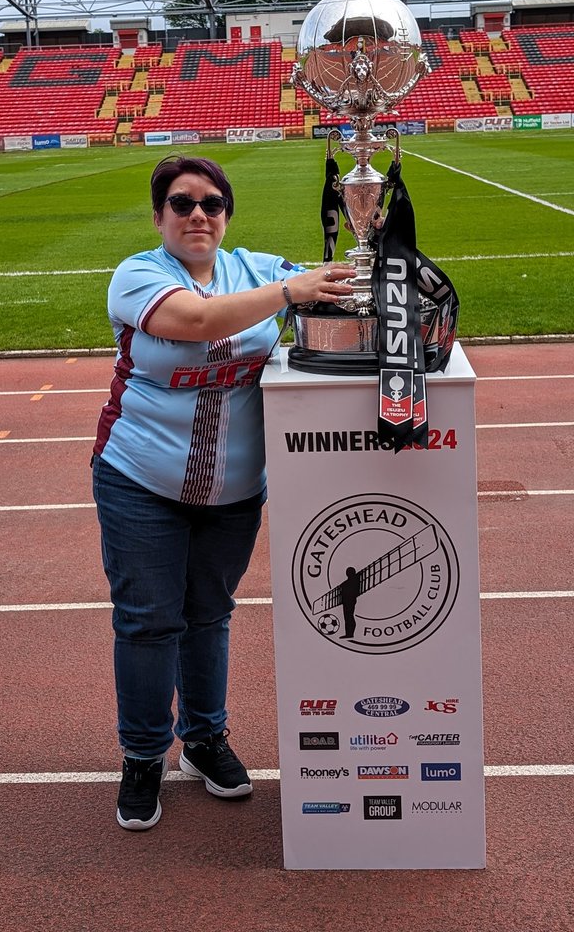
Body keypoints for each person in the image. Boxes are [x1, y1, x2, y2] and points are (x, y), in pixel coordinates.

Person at [92, 154, 355, 830]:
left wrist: (375, 269)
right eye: (181, 203)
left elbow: (338, 289)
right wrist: (294, 293)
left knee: (209, 613)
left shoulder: (261, 269)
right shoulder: (138, 275)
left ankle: (204, 740)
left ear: (228, 213)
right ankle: (144, 754)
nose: (198, 214)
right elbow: (197, 322)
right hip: (139, 478)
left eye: (211, 203)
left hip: (236, 488)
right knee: (149, 621)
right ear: (159, 217)